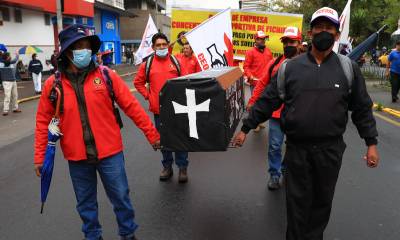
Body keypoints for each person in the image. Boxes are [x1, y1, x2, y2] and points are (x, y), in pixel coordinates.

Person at [233, 7, 379, 240]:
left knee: (322, 202)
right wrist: (246, 128)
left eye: (329, 28)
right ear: (310, 33)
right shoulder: (290, 68)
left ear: (337, 34)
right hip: (298, 150)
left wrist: (371, 143)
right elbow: (268, 100)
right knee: (296, 202)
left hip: (330, 150)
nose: (324, 32)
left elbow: (362, 108)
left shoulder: (347, 68)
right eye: (319, 28)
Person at [34, 24, 160, 240]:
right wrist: (40, 158)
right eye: (78, 46)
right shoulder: (52, 85)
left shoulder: (106, 75)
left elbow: (132, 106)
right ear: (67, 52)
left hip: (110, 153)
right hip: (77, 158)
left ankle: (128, 234)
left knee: (121, 197)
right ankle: (93, 236)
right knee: (85, 205)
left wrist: (152, 134)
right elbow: (43, 122)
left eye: (86, 45)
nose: (84, 50)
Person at [247, 26, 302, 190]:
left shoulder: (308, 64)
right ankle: (274, 175)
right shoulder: (275, 63)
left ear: (299, 43)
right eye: (285, 42)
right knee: (274, 146)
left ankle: (286, 169)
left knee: (294, 147)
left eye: (292, 41)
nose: (288, 45)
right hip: (277, 113)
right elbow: (263, 83)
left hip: (298, 115)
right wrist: (252, 101)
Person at [134, 33, 189, 183]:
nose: (161, 47)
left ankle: (182, 167)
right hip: (159, 111)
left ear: (168, 45)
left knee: (180, 139)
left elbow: (186, 81)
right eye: (158, 45)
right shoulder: (147, 64)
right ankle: (167, 167)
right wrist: (148, 96)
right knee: (163, 140)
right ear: (153, 47)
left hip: (178, 109)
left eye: (164, 44)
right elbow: (137, 83)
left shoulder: (176, 61)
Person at [243, 30, 273, 132]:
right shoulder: (250, 52)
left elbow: (272, 66)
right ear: (255, 40)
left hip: (266, 83)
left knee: (263, 103)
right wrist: (250, 75)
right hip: (255, 83)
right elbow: (246, 67)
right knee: (254, 103)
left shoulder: (268, 51)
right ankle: (254, 123)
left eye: (263, 39)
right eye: (260, 39)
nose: (262, 41)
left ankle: (259, 122)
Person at [2, 51, 21, 116]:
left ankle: (15, 108)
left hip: (13, 81)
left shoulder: (11, 63)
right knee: (7, 96)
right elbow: (14, 60)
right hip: (6, 82)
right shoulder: (3, 63)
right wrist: (17, 54)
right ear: (7, 57)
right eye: (9, 56)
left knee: (15, 95)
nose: (10, 57)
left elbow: (14, 62)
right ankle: (5, 110)